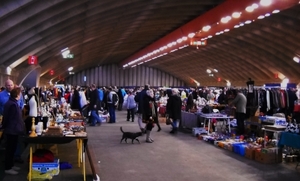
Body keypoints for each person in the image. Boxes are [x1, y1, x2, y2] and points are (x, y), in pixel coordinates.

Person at [2, 87, 25, 175]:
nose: (20, 96)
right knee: (10, 150)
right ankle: (8, 168)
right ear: (17, 95)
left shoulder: (13, 103)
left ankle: (11, 165)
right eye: (20, 94)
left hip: (13, 130)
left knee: (12, 148)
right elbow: (8, 118)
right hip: (11, 130)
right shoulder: (12, 104)